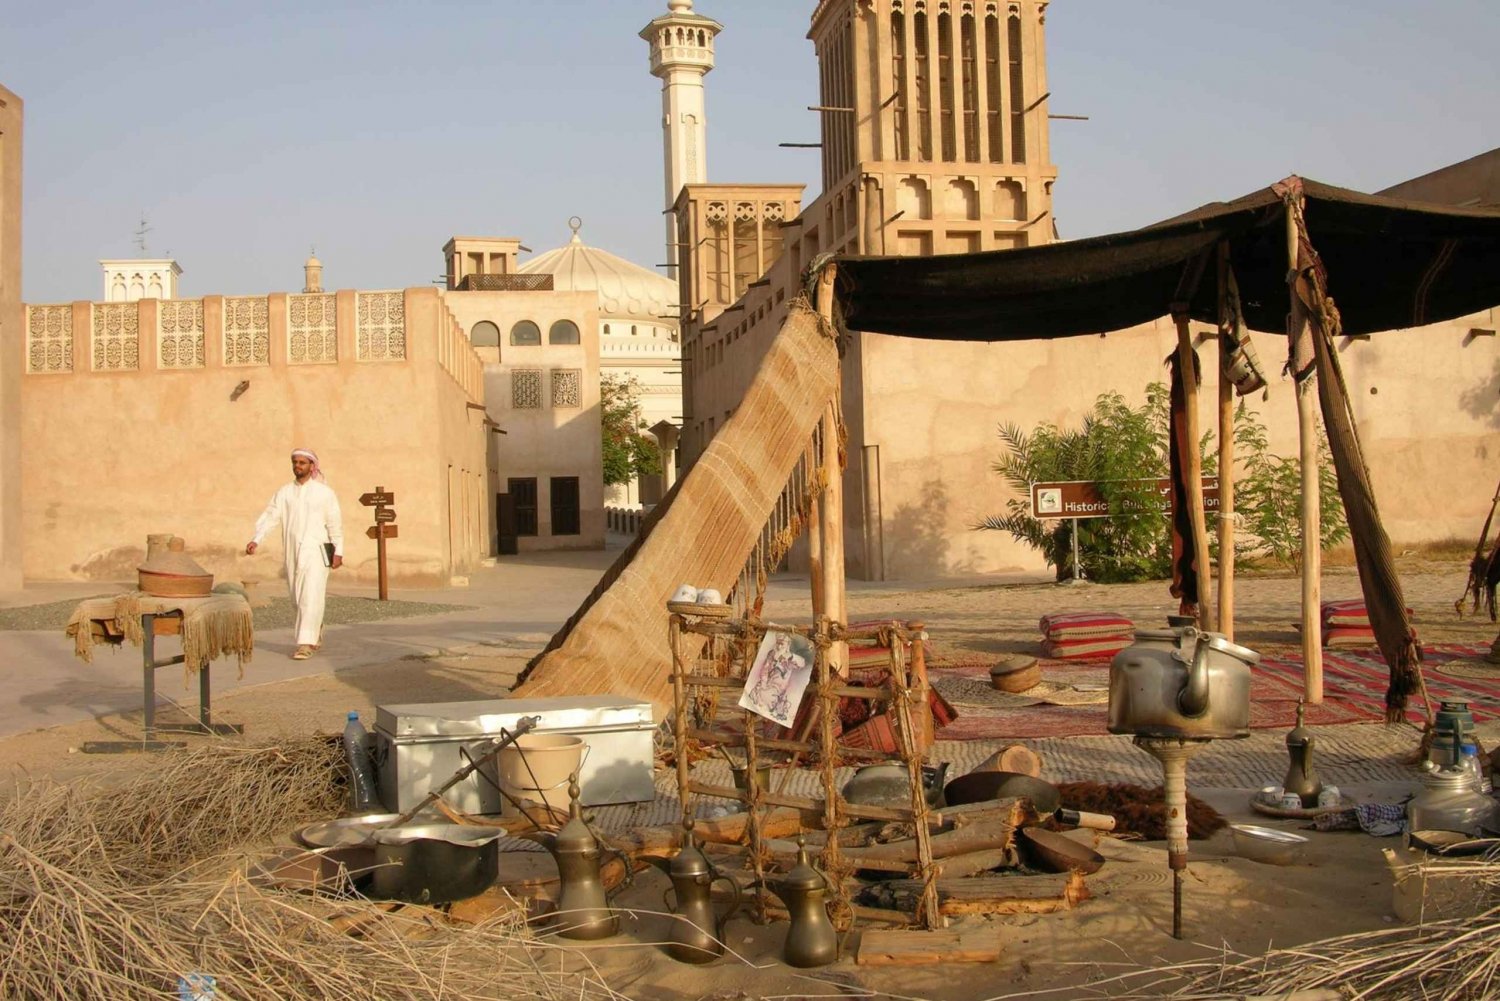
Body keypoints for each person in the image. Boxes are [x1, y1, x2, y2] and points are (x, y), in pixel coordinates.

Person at [246, 448, 343, 660]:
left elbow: (335, 523)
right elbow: (271, 516)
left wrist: (339, 551)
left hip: (316, 550)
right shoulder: (284, 493)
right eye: (295, 462)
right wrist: (256, 539)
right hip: (292, 550)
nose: (298, 466)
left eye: (302, 462)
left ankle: (304, 644)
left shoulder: (324, 493)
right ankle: (314, 627)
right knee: (297, 597)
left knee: (311, 594)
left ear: (312, 466)